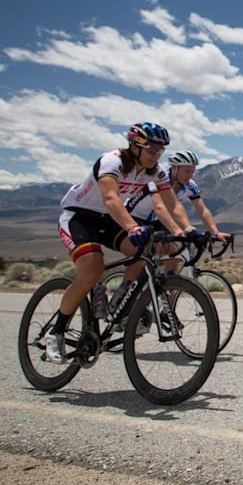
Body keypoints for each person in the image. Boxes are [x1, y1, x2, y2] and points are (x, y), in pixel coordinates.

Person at [46, 122, 189, 363]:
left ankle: (122, 300)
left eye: (161, 150)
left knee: (144, 249)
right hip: (80, 217)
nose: (157, 155)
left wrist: (188, 230)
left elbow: (172, 204)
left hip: (109, 219)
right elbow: (110, 198)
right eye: (152, 150)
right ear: (135, 146)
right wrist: (132, 227)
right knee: (91, 271)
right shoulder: (112, 162)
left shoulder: (157, 171)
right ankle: (56, 332)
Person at [125, 149, 232, 280]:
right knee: (142, 257)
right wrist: (179, 230)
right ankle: (126, 291)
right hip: (135, 219)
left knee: (174, 257)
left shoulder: (190, 186)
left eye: (193, 171)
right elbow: (160, 208)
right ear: (174, 168)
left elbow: (202, 210)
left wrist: (216, 232)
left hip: (157, 221)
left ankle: (167, 294)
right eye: (187, 171)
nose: (190, 175)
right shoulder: (158, 180)